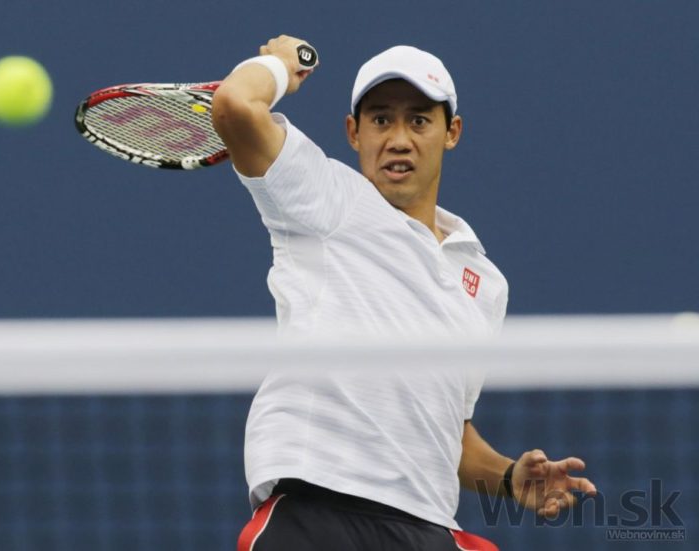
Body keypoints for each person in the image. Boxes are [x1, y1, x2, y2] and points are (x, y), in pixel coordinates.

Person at [212, 35, 597, 551]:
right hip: (319, 514)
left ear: (451, 132)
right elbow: (235, 105)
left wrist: (507, 478)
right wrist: (281, 63)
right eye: (380, 120)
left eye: (418, 120)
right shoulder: (326, 198)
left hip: (427, 526)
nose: (398, 139)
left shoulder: (484, 282)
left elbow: (447, 431)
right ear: (353, 132)